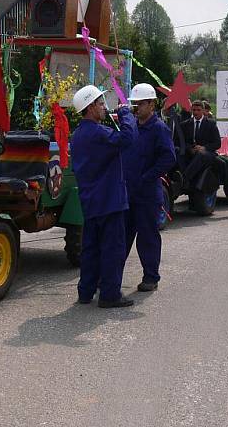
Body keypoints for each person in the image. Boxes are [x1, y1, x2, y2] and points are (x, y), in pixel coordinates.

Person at [71, 85, 138, 308]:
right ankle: (110, 294)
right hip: (109, 200)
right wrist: (126, 114)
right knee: (112, 248)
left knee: (91, 248)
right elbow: (128, 139)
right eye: (101, 104)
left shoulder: (79, 134)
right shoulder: (98, 133)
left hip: (91, 201)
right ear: (90, 107)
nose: (104, 108)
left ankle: (86, 292)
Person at [123, 84, 177, 292]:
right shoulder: (133, 126)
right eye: (134, 104)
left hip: (147, 193)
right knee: (122, 237)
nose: (136, 108)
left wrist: (147, 177)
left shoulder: (159, 129)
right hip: (129, 192)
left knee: (147, 238)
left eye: (140, 104)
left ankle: (151, 277)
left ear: (151, 104)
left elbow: (168, 158)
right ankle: (111, 277)